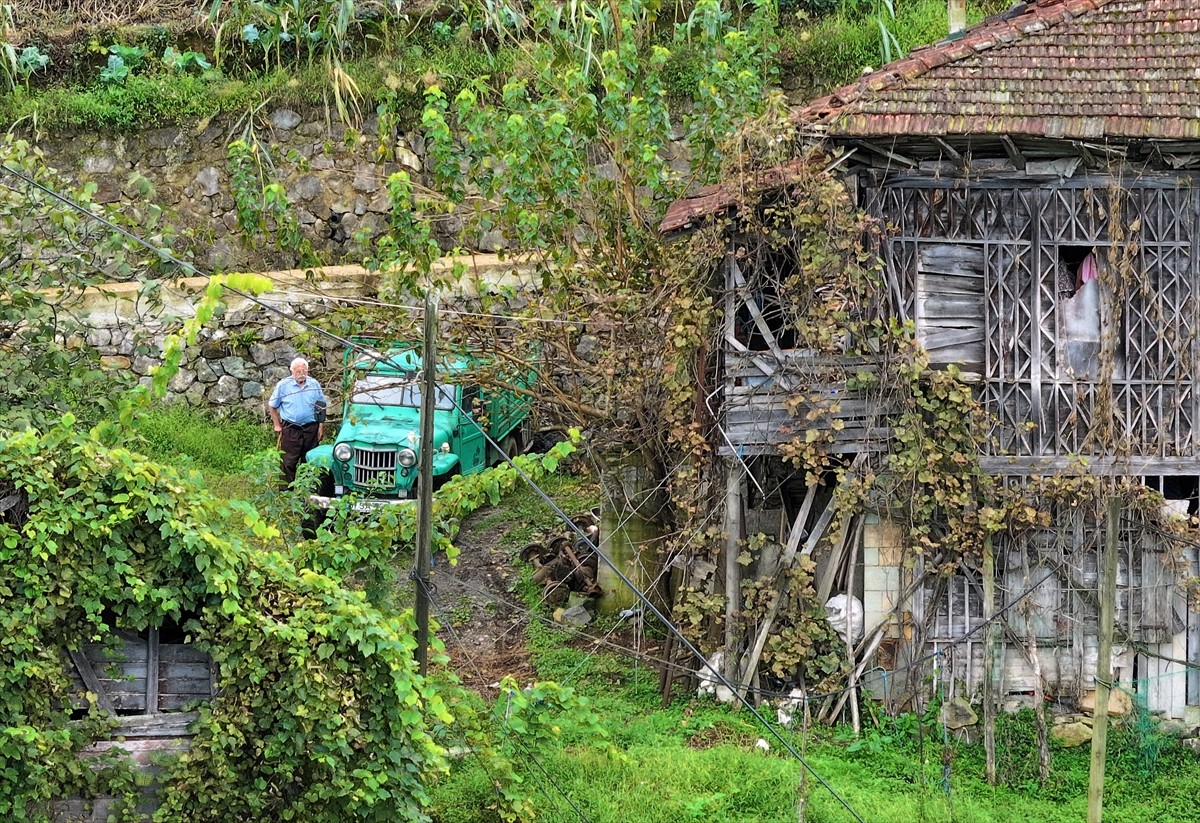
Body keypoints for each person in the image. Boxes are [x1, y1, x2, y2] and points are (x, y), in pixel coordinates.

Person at [267, 357, 328, 486]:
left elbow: (321, 406)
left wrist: (321, 426)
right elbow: (272, 405)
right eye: (298, 371)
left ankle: (308, 490)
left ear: (307, 370)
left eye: (303, 370)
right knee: (288, 462)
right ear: (292, 371)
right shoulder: (283, 385)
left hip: (311, 428)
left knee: (310, 460)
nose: (301, 373)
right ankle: (286, 492)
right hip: (291, 428)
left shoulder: (314, 384)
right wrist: (277, 425)